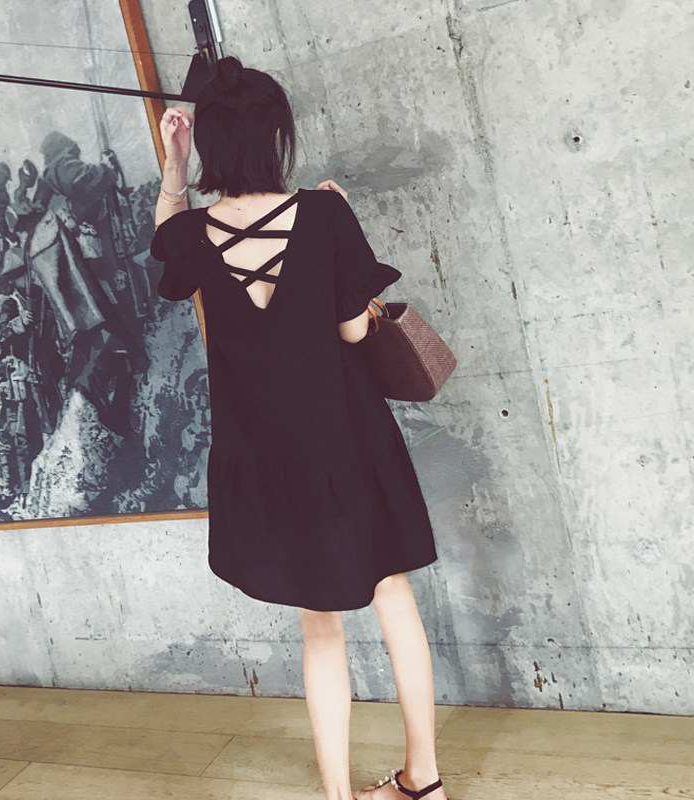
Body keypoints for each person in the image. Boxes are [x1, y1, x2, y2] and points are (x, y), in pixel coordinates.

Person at [151, 55, 449, 800]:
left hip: (267, 454)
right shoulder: (322, 213)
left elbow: (169, 243)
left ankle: (339, 796)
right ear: (276, 135)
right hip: (350, 439)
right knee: (393, 598)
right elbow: (353, 331)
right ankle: (423, 780)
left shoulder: (191, 234)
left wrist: (174, 170)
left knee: (320, 626)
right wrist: (334, 234)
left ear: (212, 141)